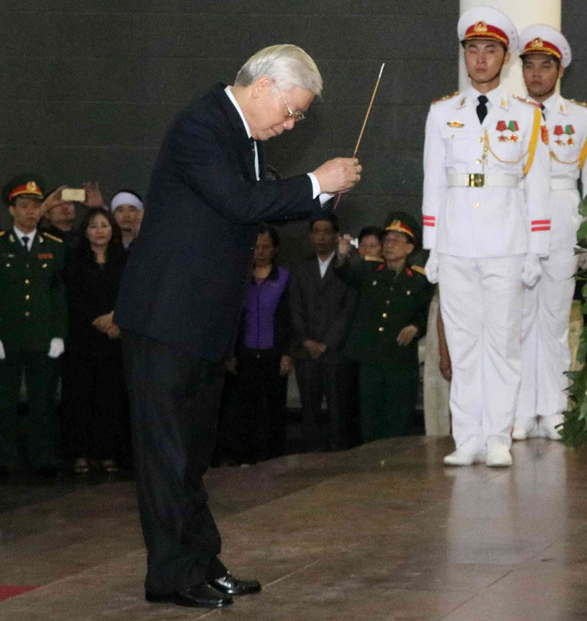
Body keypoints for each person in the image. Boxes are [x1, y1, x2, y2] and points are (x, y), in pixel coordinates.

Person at [114, 44, 362, 609]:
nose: (291, 122)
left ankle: (201, 561)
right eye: (292, 110)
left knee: (195, 453)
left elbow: (260, 207)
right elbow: (237, 200)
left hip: (201, 322)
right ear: (264, 86)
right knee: (167, 455)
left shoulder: (244, 137)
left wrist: (322, 195)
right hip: (165, 317)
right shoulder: (201, 124)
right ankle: (170, 576)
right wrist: (314, 180)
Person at [422, 6, 551, 467]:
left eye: (490, 50)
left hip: (506, 240)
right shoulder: (442, 113)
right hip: (456, 238)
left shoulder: (526, 113)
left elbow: (536, 184)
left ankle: (498, 435)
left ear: (506, 57)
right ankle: (468, 436)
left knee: (501, 341)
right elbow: (433, 180)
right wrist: (431, 245)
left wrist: (536, 247)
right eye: (473, 50)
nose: (480, 59)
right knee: (462, 341)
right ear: (464, 56)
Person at [514, 24, 587, 442]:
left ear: (560, 70)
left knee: (552, 322)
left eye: (545, 66)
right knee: (514, 322)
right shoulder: (506, 112)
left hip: (562, 225)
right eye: (529, 65)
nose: (536, 74)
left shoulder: (583, 117)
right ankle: (516, 411)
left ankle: (551, 409)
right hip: (514, 226)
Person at [343, 213, 434, 442]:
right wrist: (342, 254)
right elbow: (344, 271)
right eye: (387, 240)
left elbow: (427, 312)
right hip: (372, 360)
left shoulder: (419, 279)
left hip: (401, 361)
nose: (389, 245)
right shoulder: (370, 271)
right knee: (371, 422)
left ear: (410, 247)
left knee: (398, 422)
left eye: (396, 240)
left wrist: (416, 327)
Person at [0, 175, 67, 478]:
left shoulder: (53, 246)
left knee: (42, 400)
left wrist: (59, 334)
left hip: (42, 336)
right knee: (6, 400)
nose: (30, 212)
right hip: (8, 337)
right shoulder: (2, 245)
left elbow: (59, 293)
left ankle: (42, 455)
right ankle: (6, 456)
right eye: (24, 206)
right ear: (12, 209)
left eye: (35, 206)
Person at [62, 207, 128, 475]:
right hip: (83, 338)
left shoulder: (124, 259)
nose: (99, 230)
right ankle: (81, 453)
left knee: (110, 397)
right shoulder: (75, 260)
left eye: (104, 225)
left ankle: (109, 453)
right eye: (93, 226)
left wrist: (116, 318)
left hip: (115, 337)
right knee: (82, 396)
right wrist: (97, 319)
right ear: (85, 231)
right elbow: (73, 296)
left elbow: (132, 293)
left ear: (112, 229)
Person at [220, 225, 292, 465]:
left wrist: (287, 352)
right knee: (243, 408)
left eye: (266, 247)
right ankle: (243, 457)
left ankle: (274, 457)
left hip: (274, 353)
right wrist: (230, 352)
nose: (261, 251)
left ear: (275, 249)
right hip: (245, 353)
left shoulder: (284, 277)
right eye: (257, 247)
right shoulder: (239, 277)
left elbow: (289, 317)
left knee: (274, 407)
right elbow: (230, 317)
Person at [289, 213, 357, 452]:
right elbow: (294, 308)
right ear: (310, 236)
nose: (321, 237)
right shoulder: (299, 268)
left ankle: (339, 462)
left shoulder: (346, 267)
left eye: (326, 232)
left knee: (339, 411)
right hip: (306, 353)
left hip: (335, 352)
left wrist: (326, 343)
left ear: (336, 236)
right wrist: (306, 341)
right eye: (316, 231)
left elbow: (348, 309)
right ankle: (310, 461)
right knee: (309, 411)